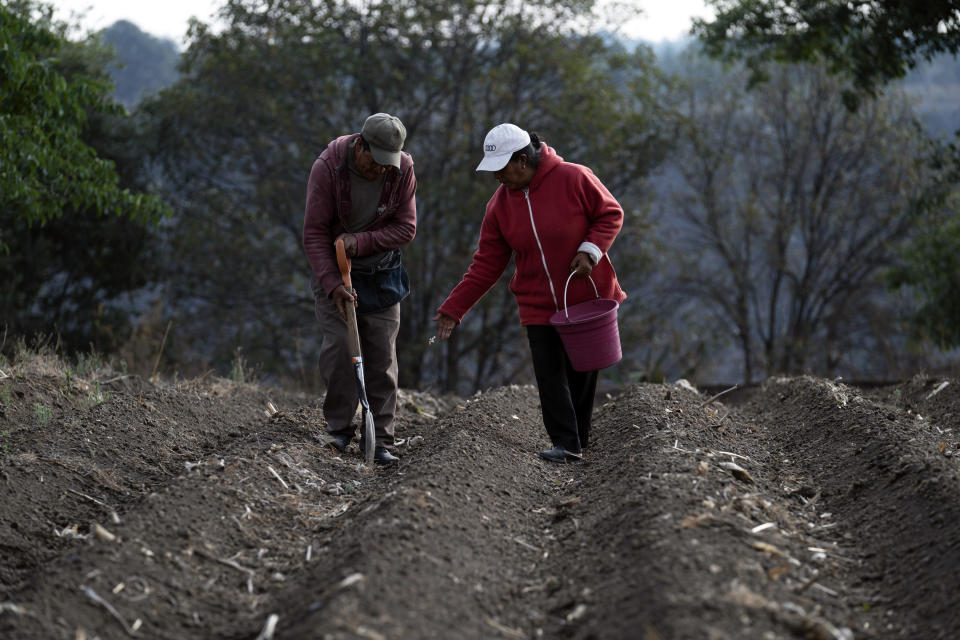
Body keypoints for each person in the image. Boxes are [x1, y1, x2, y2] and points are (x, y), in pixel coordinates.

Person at [433, 123, 625, 463]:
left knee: (581, 372)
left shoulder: (574, 178)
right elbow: (486, 265)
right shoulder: (498, 208)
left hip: (585, 296)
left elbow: (610, 213)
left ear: (522, 160)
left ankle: (578, 440)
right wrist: (453, 308)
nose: (497, 179)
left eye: (501, 170)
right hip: (537, 305)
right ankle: (566, 444)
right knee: (549, 373)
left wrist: (590, 250)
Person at [303, 113, 416, 465]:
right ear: (360, 146)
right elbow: (314, 233)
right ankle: (338, 430)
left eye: (389, 164)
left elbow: (406, 228)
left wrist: (359, 242)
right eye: (377, 162)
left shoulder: (403, 170)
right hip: (335, 274)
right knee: (340, 352)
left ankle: (380, 439)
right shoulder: (328, 167)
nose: (382, 170)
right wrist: (333, 284)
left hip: (381, 274)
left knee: (381, 358)